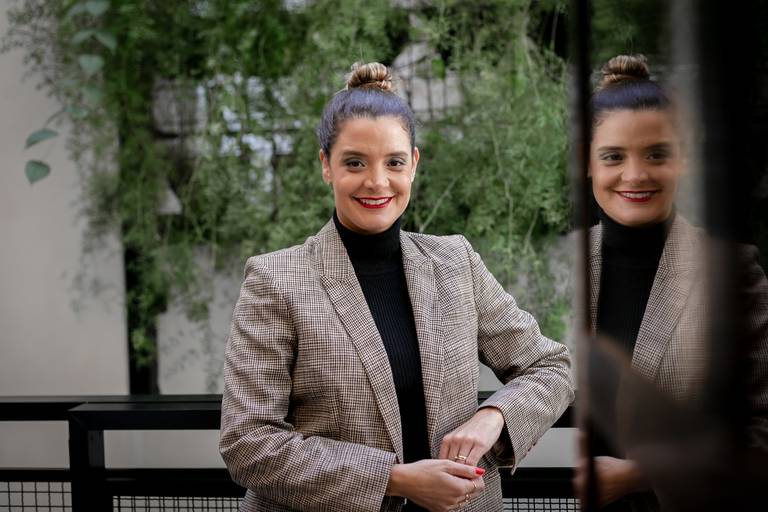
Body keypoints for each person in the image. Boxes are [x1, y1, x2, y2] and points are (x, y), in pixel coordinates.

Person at [219, 62, 574, 512]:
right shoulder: (275, 280)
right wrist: (394, 480)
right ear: (326, 165)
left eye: (394, 162)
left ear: (414, 165)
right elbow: (247, 442)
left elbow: (551, 367)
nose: (377, 181)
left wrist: (494, 417)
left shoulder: (455, 262)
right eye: (354, 162)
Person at [576, 54, 768, 510]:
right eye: (613, 156)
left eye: (657, 154)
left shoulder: (733, 273)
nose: (635, 175)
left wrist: (640, 474)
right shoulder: (564, 265)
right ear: (587, 162)